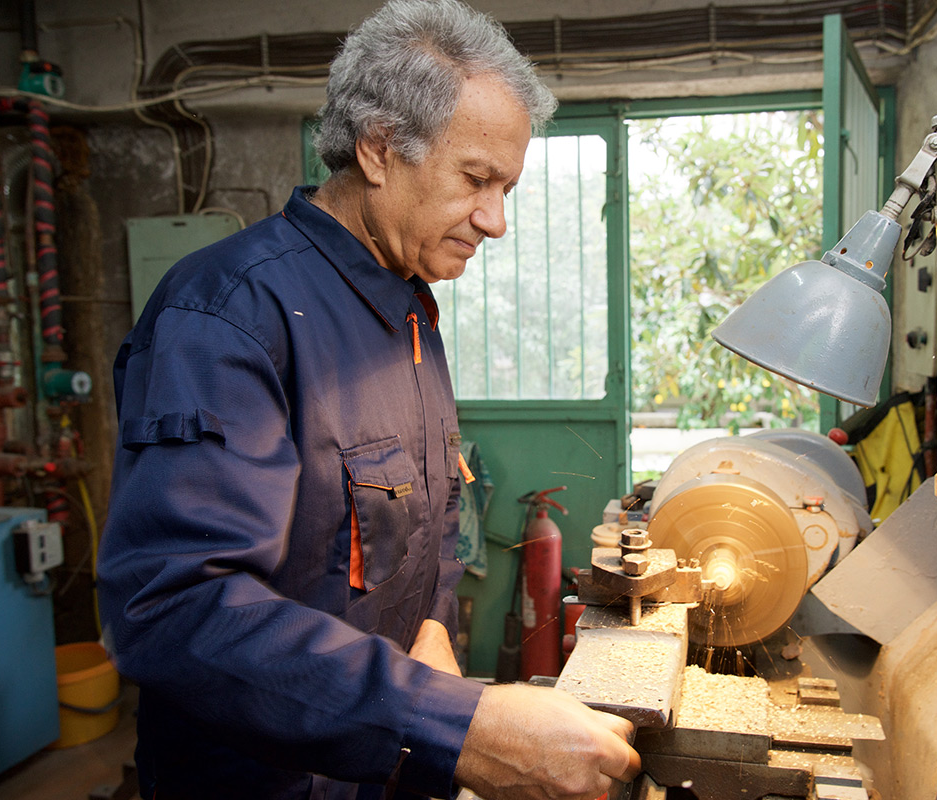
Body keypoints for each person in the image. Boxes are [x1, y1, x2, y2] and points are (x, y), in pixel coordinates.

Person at [97, 1, 640, 798]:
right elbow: (174, 610)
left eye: (509, 187)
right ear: (381, 149)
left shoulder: (407, 303)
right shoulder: (229, 315)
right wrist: (454, 725)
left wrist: (433, 654)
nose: (496, 221)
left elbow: (412, 540)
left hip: (388, 768)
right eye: (476, 180)